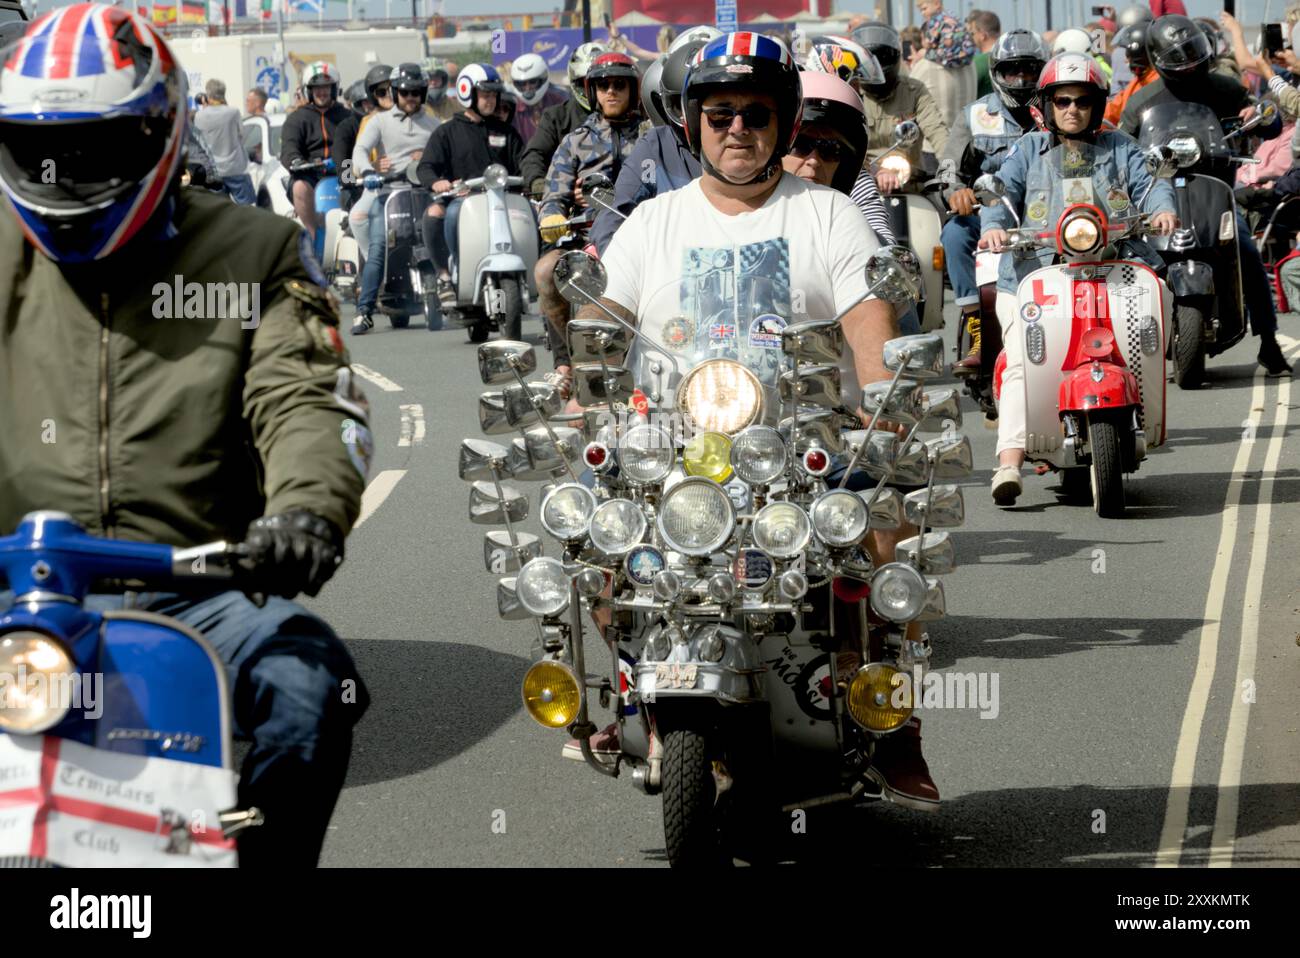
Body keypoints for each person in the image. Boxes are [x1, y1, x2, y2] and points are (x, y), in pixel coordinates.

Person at [0, 3, 371, 867]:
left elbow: (308, 400)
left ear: (161, 133)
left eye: (98, 147)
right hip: (18, 579)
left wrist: (308, 513)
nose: (65, 173)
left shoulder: (257, 252)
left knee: (310, 684)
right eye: (40, 147)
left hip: (199, 584)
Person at [565, 32, 940, 809]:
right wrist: (583, 390)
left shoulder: (831, 216)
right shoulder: (652, 224)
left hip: (806, 448)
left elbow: (873, 340)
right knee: (593, 551)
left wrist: (887, 406)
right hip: (674, 452)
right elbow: (599, 330)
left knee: (874, 549)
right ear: (693, 125)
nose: (739, 128)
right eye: (721, 113)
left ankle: (893, 723)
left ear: (783, 121)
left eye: (758, 114)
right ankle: (632, 693)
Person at [980, 53, 1179, 505]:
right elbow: (1000, 187)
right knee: (1017, 364)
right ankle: (1009, 463)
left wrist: (1163, 207)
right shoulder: (1027, 149)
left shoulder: (1120, 146)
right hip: (1036, 272)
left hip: (1111, 262)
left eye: (1083, 101)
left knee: (1160, 294)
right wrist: (994, 222)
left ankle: (1142, 401)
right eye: (1063, 100)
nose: (1073, 109)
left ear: (1096, 104)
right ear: (1048, 105)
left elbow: (1151, 182)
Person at [1120, 14, 1292, 376]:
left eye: (1193, 54)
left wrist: (1259, 114)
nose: (1189, 64)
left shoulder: (1226, 89)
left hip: (1217, 189)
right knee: (1131, 254)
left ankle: (1269, 340)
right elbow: (1123, 144)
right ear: (1159, 59)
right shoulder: (1141, 103)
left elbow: (1270, 120)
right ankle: (1123, 346)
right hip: (1160, 193)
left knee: (1245, 249)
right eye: (1179, 58)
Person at [941, 28, 1048, 374]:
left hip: (1044, 215)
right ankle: (975, 324)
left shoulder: (1058, 109)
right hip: (987, 213)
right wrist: (955, 191)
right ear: (996, 73)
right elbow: (947, 168)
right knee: (955, 234)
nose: (1020, 79)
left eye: (1029, 69)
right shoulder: (974, 115)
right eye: (1011, 70)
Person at [535, 52, 647, 367]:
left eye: (619, 85)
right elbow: (554, 190)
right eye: (603, 85)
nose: (611, 92)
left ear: (633, 90)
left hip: (641, 236)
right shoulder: (574, 141)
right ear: (592, 92)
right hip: (585, 240)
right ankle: (565, 362)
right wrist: (553, 214)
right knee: (545, 272)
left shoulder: (651, 136)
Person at [589, 31, 714, 254]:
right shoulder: (655, 144)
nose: (735, 126)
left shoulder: (751, 138)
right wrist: (619, 272)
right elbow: (614, 213)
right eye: (687, 101)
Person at [416, 63, 524, 309]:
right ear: (468, 93)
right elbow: (425, 167)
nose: (491, 100)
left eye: (494, 95)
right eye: (485, 94)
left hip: (503, 199)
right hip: (462, 200)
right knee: (437, 214)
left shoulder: (507, 132)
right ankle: (447, 273)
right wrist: (437, 182)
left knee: (536, 214)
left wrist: (533, 179)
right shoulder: (447, 132)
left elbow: (525, 162)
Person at [350, 63, 439, 336]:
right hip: (388, 193)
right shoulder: (379, 121)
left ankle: (454, 294)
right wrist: (369, 171)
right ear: (395, 93)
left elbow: (446, 155)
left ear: (422, 94)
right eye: (404, 92)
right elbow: (361, 150)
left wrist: (428, 160)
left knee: (441, 239)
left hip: (424, 193)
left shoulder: (434, 124)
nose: (410, 97)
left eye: (415, 92)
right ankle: (364, 312)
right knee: (378, 249)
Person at [853, 21, 949, 186]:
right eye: (870, 63)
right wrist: (874, 170)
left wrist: (953, 172)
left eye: (882, 61)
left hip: (910, 183)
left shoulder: (914, 91)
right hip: (862, 186)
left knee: (944, 209)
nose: (876, 69)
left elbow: (938, 132)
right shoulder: (850, 94)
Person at [519, 42, 605, 195]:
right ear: (575, 82)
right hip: (569, 203)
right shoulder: (556, 117)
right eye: (586, 83)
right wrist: (540, 185)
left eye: (602, 83)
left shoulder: (629, 116)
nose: (594, 90)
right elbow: (534, 155)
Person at [280, 61, 349, 245]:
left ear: (334, 88)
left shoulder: (348, 116)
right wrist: (296, 161)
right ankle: (313, 238)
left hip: (344, 171)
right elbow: (288, 147)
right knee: (299, 187)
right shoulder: (296, 118)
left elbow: (360, 144)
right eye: (316, 88)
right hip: (310, 174)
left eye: (326, 87)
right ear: (308, 90)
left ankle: (355, 237)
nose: (321, 92)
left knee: (363, 191)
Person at [915, 0, 977, 127]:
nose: (922, 13)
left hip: (937, 139)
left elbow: (908, 97)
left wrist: (920, 58)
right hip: (966, 137)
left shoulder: (926, 66)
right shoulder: (970, 64)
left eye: (924, 8)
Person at [194, 78, 255, 204]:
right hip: (236, 168)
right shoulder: (233, 112)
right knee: (246, 208)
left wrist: (206, 107)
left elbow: (198, 141)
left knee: (219, 211)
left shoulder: (199, 116)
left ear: (208, 95)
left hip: (213, 170)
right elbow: (241, 135)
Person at [1103, 14, 1157, 126]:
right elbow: (1112, 110)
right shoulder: (1139, 81)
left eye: (1128, 56)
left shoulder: (1156, 81)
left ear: (1139, 55)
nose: (1126, 61)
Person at [509, 53, 570, 146]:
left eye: (532, 82)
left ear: (543, 79)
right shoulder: (511, 108)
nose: (527, 88)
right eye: (522, 84)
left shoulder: (560, 100)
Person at [333, 79, 372, 213]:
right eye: (366, 102)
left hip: (390, 186)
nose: (370, 106)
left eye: (374, 100)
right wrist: (352, 179)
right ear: (358, 104)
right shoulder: (346, 128)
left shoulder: (390, 124)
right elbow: (343, 162)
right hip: (358, 189)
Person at [967, 9, 1001, 98]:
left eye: (972, 33)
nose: (971, 37)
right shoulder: (1008, 57)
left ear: (983, 35)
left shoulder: (980, 62)